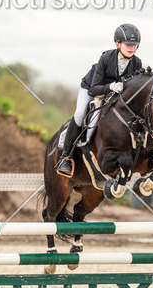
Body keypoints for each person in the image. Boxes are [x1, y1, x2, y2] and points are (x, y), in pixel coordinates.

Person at [56, 23, 143, 177]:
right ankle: (66, 157)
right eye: (128, 44)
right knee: (80, 113)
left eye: (134, 45)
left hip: (114, 95)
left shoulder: (137, 63)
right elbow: (94, 89)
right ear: (117, 43)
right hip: (91, 89)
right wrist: (111, 86)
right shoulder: (106, 58)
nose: (131, 48)